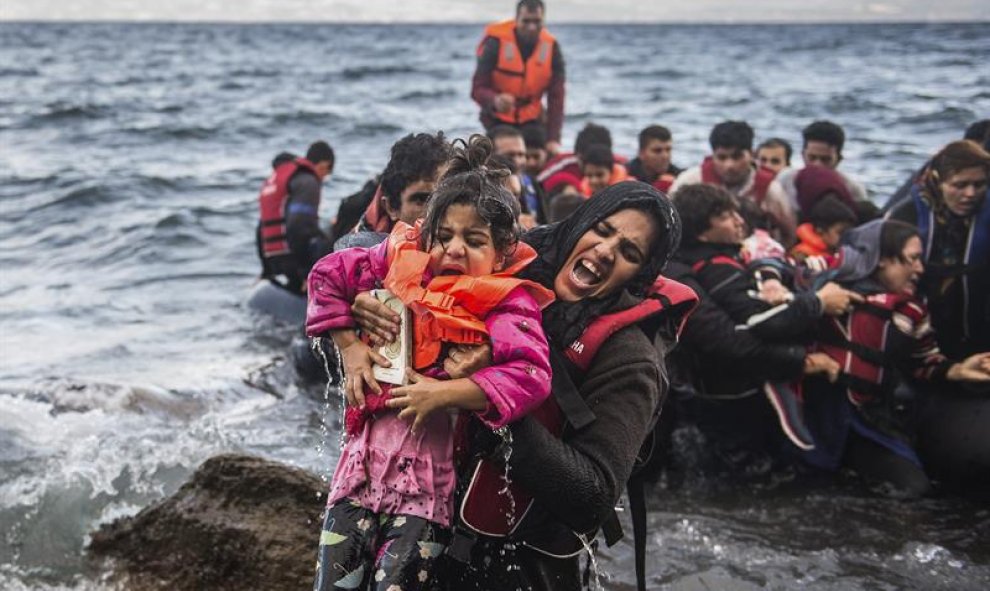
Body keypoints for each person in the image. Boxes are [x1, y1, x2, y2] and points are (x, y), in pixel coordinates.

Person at [350, 181, 691, 591]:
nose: (604, 252)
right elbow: (367, 248)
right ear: (581, 221)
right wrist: (363, 307)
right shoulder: (513, 260)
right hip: (411, 514)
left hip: (513, 567)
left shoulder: (631, 359)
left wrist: (490, 395)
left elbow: (593, 498)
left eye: (629, 252)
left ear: (640, 275)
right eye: (602, 230)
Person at [306, 136, 555, 590]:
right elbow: (325, 276)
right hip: (357, 473)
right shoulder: (396, 260)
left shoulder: (507, 306)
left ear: (502, 252)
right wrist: (350, 347)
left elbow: (530, 375)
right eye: (443, 237)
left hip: (427, 489)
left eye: (473, 240)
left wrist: (444, 393)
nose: (453, 249)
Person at [801, 220, 990, 496]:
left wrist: (959, 369)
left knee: (912, 488)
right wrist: (811, 300)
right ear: (883, 260)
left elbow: (923, 362)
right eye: (912, 259)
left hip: (868, 418)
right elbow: (776, 265)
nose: (919, 269)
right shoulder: (828, 283)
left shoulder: (911, 312)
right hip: (817, 411)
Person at [670, 183, 858, 451]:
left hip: (716, 386)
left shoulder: (723, 258)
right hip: (733, 393)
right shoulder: (716, 270)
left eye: (736, 212)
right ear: (701, 232)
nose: (738, 221)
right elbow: (755, 326)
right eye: (724, 217)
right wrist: (816, 304)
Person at [887, 139, 990, 359]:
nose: (971, 193)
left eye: (979, 184)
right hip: (921, 335)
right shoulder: (905, 217)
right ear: (938, 181)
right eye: (959, 185)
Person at [670, 120, 796, 246]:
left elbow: (789, 234)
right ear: (712, 155)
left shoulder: (769, 189)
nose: (729, 165)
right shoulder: (691, 180)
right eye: (722, 157)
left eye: (737, 157)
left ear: (751, 154)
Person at [472, 0, 565, 154]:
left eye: (537, 21)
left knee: (541, 155)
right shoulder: (495, 43)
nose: (531, 27)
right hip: (498, 119)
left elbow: (557, 97)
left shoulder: (552, 48)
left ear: (543, 21)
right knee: (504, 157)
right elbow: (477, 89)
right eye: (526, 21)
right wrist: (495, 100)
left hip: (532, 120)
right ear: (516, 20)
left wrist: (553, 139)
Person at [256, 141, 335, 294]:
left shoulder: (276, 180)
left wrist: (266, 270)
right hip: (293, 261)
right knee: (341, 239)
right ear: (324, 165)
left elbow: (261, 229)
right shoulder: (308, 181)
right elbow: (298, 227)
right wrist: (306, 273)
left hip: (274, 260)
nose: (323, 179)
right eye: (326, 174)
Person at [355, 132, 450, 235]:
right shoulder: (358, 248)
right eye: (421, 200)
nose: (437, 211)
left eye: (446, 198)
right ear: (392, 208)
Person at [776, 120, 869, 212]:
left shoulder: (852, 190)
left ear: (839, 159)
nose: (817, 165)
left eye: (825, 160)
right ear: (803, 155)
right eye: (812, 158)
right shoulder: (786, 181)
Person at [490, 125, 546, 224]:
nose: (517, 161)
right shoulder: (480, 189)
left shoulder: (533, 184)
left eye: (521, 155)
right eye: (509, 155)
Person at [790, 195, 858, 265]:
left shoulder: (836, 252)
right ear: (820, 230)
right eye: (840, 232)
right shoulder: (802, 255)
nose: (846, 236)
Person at [626, 124, 683, 192]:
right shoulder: (625, 175)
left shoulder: (680, 178)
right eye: (657, 151)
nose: (665, 156)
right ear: (641, 153)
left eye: (668, 150)